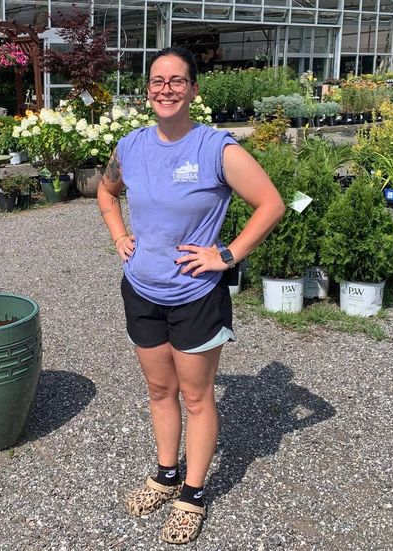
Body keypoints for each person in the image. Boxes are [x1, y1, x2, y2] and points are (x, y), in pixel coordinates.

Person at [97, 46, 285, 544]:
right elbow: (106, 192)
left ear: (194, 89)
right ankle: (164, 474)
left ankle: (192, 493)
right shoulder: (131, 146)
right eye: (158, 81)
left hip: (195, 294)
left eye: (177, 80)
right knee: (160, 391)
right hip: (141, 289)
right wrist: (119, 235)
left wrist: (226, 255)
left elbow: (271, 203)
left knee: (197, 397)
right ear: (148, 90)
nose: (166, 89)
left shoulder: (216, 149)